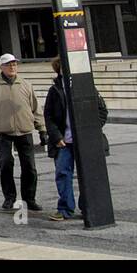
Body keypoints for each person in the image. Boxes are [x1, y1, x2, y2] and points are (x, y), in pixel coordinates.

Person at [44, 56, 110, 221]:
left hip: (84, 140)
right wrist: (57, 136)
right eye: (61, 68)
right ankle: (65, 208)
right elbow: (49, 117)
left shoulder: (85, 87)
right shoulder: (55, 91)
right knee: (63, 173)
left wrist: (90, 132)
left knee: (86, 174)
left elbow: (102, 111)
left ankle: (87, 207)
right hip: (64, 141)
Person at [0, 53, 46, 212]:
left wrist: (42, 129)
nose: (12, 67)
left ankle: (29, 198)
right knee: (6, 163)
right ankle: (9, 197)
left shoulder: (25, 85)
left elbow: (36, 108)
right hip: (3, 132)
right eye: (9, 65)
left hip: (24, 130)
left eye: (14, 64)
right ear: (1, 67)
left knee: (29, 166)